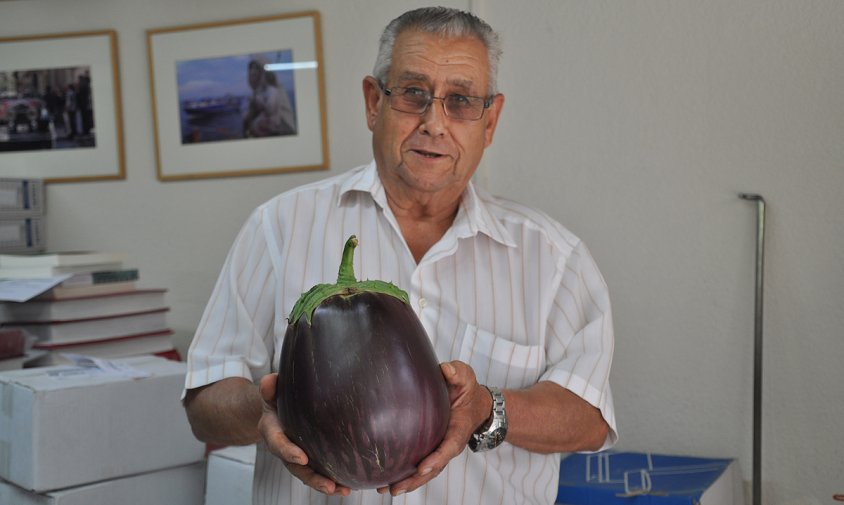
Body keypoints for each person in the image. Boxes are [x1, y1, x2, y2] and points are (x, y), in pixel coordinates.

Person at [183, 7, 617, 505]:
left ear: (490, 120)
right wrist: (262, 412)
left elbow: (589, 417)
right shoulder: (277, 227)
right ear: (373, 103)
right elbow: (203, 402)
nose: (434, 123)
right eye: (413, 94)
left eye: (460, 101)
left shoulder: (555, 258)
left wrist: (487, 408)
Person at [242, 55, 297, 137]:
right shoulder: (258, 92)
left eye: (256, 68)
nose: (252, 72)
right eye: (251, 68)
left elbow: (272, 113)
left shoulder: (275, 90)